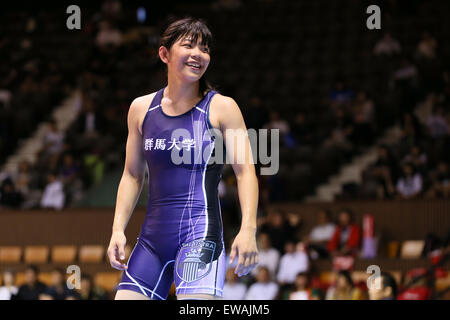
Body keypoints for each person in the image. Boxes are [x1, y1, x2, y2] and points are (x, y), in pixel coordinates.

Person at [108, 18, 259, 300]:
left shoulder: (222, 108)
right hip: (151, 242)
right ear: (164, 54)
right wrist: (118, 229)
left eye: (204, 48)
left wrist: (248, 229)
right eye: (188, 45)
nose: (198, 54)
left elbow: (245, 172)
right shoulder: (141, 109)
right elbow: (132, 175)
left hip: (200, 238)